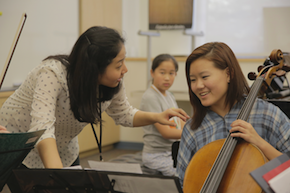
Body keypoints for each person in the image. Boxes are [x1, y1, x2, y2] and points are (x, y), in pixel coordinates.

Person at [0, 26, 189, 171]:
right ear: (94, 67)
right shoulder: (51, 74)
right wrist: (57, 177)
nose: (125, 69)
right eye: (119, 64)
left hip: (63, 143)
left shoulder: (113, 82)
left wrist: (156, 117)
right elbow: (43, 130)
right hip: (20, 140)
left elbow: (125, 114)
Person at [176, 42, 290, 187]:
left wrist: (259, 142)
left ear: (228, 74)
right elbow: (182, 183)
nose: (198, 85)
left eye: (204, 77)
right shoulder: (193, 129)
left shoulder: (267, 115)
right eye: (193, 80)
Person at [140, 54, 185, 176]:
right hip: (156, 156)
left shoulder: (169, 95)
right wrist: (193, 132)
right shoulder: (150, 97)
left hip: (171, 153)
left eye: (171, 73)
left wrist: (194, 125)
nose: (167, 78)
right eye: (162, 72)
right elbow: (167, 133)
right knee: (185, 178)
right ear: (152, 72)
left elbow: (178, 122)